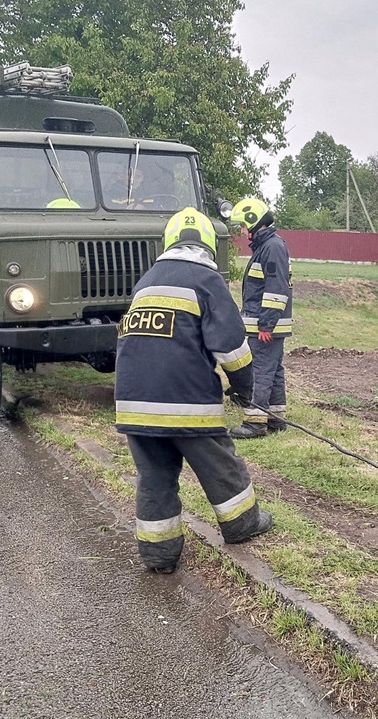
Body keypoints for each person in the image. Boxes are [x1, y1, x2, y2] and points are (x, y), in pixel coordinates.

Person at [114, 207, 272, 573]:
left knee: (154, 479)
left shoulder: (146, 282)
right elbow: (233, 348)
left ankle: (158, 555)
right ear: (208, 246)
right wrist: (244, 390)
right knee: (220, 464)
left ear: (169, 242)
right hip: (186, 403)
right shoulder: (207, 280)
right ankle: (242, 524)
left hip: (133, 405)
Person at [227, 197, 293, 439]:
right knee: (273, 370)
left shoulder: (271, 247)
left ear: (254, 223)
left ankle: (255, 423)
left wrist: (266, 324)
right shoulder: (268, 246)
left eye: (244, 226)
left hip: (266, 325)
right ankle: (276, 418)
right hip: (269, 324)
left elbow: (277, 289)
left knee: (260, 371)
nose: (243, 233)